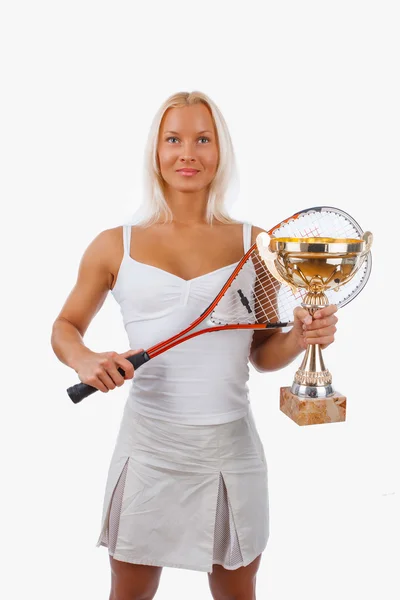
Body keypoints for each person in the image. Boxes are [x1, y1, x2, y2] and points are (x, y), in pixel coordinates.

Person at [51, 91, 338, 600]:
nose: (189, 153)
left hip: (230, 447)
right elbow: (65, 326)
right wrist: (85, 358)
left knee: (237, 587)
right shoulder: (115, 244)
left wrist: (298, 337)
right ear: (155, 152)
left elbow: (260, 352)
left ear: (220, 151)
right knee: (130, 589)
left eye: (203, 139)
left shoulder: (259, 244)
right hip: (149, 446)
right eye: (174, 139)